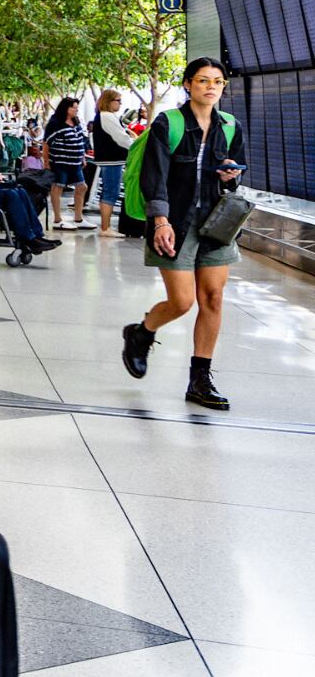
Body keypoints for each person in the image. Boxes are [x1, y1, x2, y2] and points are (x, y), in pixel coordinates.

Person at [122, 57, 247, 411]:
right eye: (203, 80)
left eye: (217, 82)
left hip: (216, 222)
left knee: (213, 298)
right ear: (188, 84)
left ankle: (199, 379)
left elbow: (235, 174)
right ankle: (141, 332)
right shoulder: (169, 123)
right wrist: (159, 221)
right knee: (182, 301)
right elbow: (154, 175)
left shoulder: (231, 125)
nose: (211, 87)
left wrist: (229, 177)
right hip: (175, 222)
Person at [91, 87, 136, 238]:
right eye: (118, 101)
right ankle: (105, 227)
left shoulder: (103, 116)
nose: (120, 104)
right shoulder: (107, 116)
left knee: (110, 191)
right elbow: (121, 138)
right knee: (111, 192)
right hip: (111, 160)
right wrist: (136, 147)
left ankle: (106, 226)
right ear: (109, 101)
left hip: (110, 159)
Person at [43, 96, 91, 229]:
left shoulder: (76, 122)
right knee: (57, 187)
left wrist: (82, 156)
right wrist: (46, 162)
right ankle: (58, 219)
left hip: (75, 162)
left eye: (77, 107)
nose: (76, 110)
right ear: (66, 108)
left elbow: (80, 139)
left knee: (82, 187)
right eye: (73, 107)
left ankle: (78, 218)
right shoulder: (55, 123)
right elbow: (46, 143)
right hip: (60, 161)